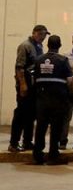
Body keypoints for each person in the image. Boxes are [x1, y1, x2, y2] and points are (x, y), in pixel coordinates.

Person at [31, 35, 71, 165]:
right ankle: (53, 155)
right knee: (56, 127)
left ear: (47, 45)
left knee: (41, 127)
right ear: (59, 46)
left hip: (42, 99)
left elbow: (34, 78)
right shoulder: (63, 60)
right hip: (58, 99)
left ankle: (37, 155)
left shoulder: (38, 59)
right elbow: (69, 80)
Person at [9, 24, 47, 153]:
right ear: (34, 33)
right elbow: (19, 67)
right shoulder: (25, 46)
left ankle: (27, 141)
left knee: (31, 115)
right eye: (40, 34)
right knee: (21, 113)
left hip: (34, 86)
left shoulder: (39, 46)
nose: (42, 37)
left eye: (44, 35)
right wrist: (22, 84)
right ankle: (13, 143)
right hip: (25, 84)